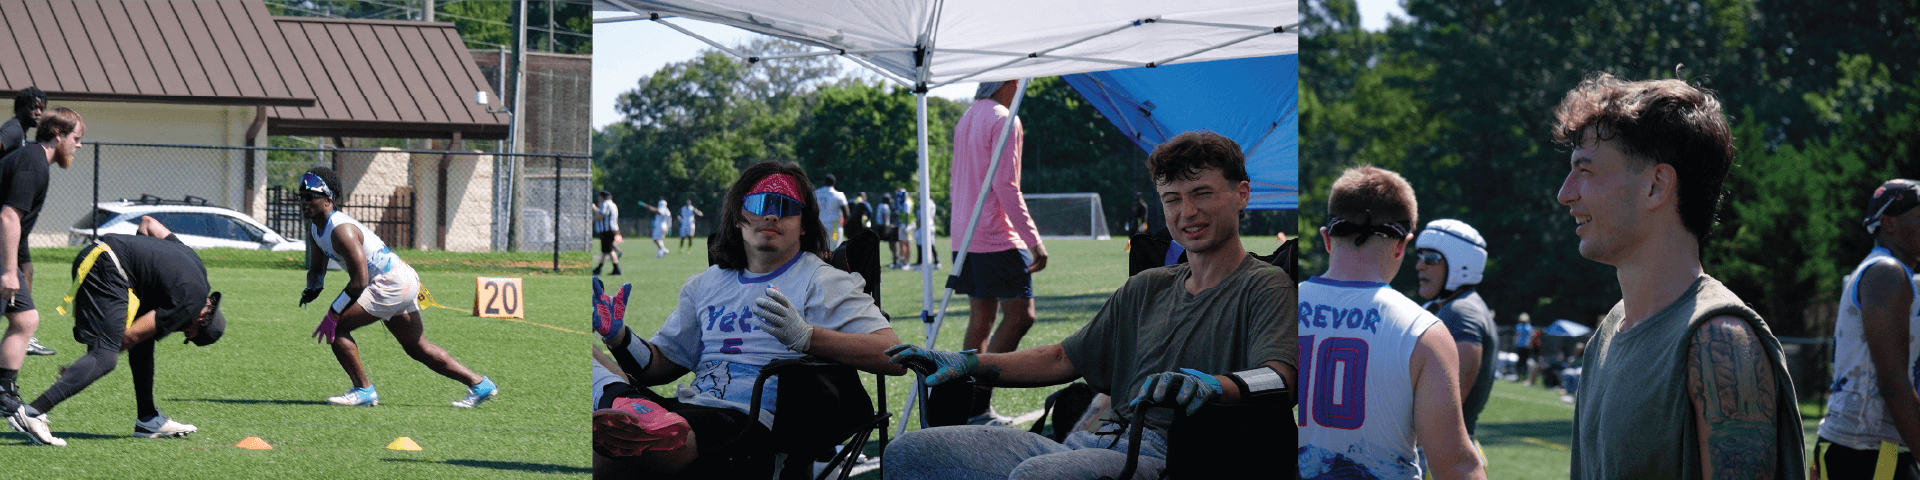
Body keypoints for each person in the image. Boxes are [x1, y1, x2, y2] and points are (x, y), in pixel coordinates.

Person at [885, 131, 1295, 479]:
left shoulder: (1265, 285)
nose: (1187, 212)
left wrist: (1215, 385)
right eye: (1172, 199)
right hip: (1094, 440)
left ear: (1242, 194)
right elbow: (1063, 358)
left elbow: (1281, 377)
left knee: (1037, 476)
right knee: (910, 452)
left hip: (1178, 455)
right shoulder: (1146, 286)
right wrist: (969, 363)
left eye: (1202, 193)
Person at [1554, 73, 1802, 479]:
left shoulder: (1720, 339)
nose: (1565, 194)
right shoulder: (1607, 334)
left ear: (1656, 186)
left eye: (1585, 170)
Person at [591, 160, 903, 476]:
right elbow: (658, 365)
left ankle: (638, 417)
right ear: (739, 217)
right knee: (585, 355)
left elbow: (893, 355)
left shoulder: (822, 280)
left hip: (753, 423)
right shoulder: (706, 283)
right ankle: (636, 411)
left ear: (804, 225)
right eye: (760, 204)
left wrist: (807, 337)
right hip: (691, 409)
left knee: (614, 455)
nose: (772, 215)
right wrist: (618, 336)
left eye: (786, 207)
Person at [1297, 166, 1484, 480]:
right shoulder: (1423, 332)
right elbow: (1455, 465)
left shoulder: (1272, 307)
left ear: (1327, 238)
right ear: (1402, 245)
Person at [8, 216, 226, 446]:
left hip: (102, 256)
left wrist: (139, 260)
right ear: (199, 321)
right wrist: (84, 366)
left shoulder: (197, 268)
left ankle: (148, 419)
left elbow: (148, 224)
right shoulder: (188, 307)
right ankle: (32, 413)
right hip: (106, 267)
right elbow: (130, 335)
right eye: (187, 333)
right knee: (106, 357)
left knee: (142, 342)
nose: (181, 331)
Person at [296, 167, 497, 409]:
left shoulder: (341, 230)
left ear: (328, 200)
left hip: (390, 282)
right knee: (417, 347)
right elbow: (317, 270)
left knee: (336, 328)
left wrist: (332, 313)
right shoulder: (316, 229)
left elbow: (359, 282)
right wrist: (313, 287)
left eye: (310, 197)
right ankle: (479, 384)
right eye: (302, 197)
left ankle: (363, 390)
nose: (304, 202)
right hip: (398, 280)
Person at [944, 80, 1049, 425]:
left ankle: (966, 407)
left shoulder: (966, 118)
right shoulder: (1005, 118)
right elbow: (1006, 185)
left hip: (965, 233)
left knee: (982, 319)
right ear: (1012, 82)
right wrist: (1033, 239)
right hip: (994, 233)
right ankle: (977, 404)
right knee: (1021, 316)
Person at [1816, 179, 1920, 480]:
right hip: (1858, 452)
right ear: (1888, 223)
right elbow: (1893, 382)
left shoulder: (1893, 272)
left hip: (1882, 447)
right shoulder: (1886, 273)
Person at [0, 107, 80, 416]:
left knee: (25, 320)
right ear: (58, 136)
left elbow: (16, 221)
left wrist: (23, 262)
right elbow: (8, 216)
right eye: (76, 138)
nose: (79, 145)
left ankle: (4, 392)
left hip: (6, 253)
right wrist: (10, 272)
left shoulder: (34, 160)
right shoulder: (32, 163)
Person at [1414, 219, 1495, 437]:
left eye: (1431, 259)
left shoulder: (1461, 312)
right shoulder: (1456, 306)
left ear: (1461, 264)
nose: (1420, 266)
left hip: (1440, 448)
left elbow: (1449, 401)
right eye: (1420, 257)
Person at [0, 88, 51, 358]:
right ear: (20, 107)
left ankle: (23, 329)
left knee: (27, 269)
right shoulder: (13, 130)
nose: (38, 112)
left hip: (15, 223)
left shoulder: (22, 135)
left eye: (42, 107)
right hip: (7, 217)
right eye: (34, 106)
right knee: (18, 271)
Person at [814, 174, 849, 251]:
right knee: (834, 249)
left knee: (820, 249)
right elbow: (846, 212)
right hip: (834, 227)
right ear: (834, 183)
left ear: (824, 182)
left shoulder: (816, 193)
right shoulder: (839, 195)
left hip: (819, 226)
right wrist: (844, 222)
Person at [593, 191, 622, 276]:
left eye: (599, 197)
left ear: (602, 197)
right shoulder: (613, 204)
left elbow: (601, 215)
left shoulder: (605, 204)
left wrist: (593, 219)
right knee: (606, 250)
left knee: (608, 250)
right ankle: (599, 268)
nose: (598, 198)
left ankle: (616, 268)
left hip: (607, 230)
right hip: (611, 229)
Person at [1513, 312, 1535, 383]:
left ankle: (1523, 376)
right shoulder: (1520, 326)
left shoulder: (1528, 327)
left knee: (1524, 362)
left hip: (1525, 346)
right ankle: (1519, 375)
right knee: (1520, 361)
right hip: (1520, 346)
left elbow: (1531, 337)